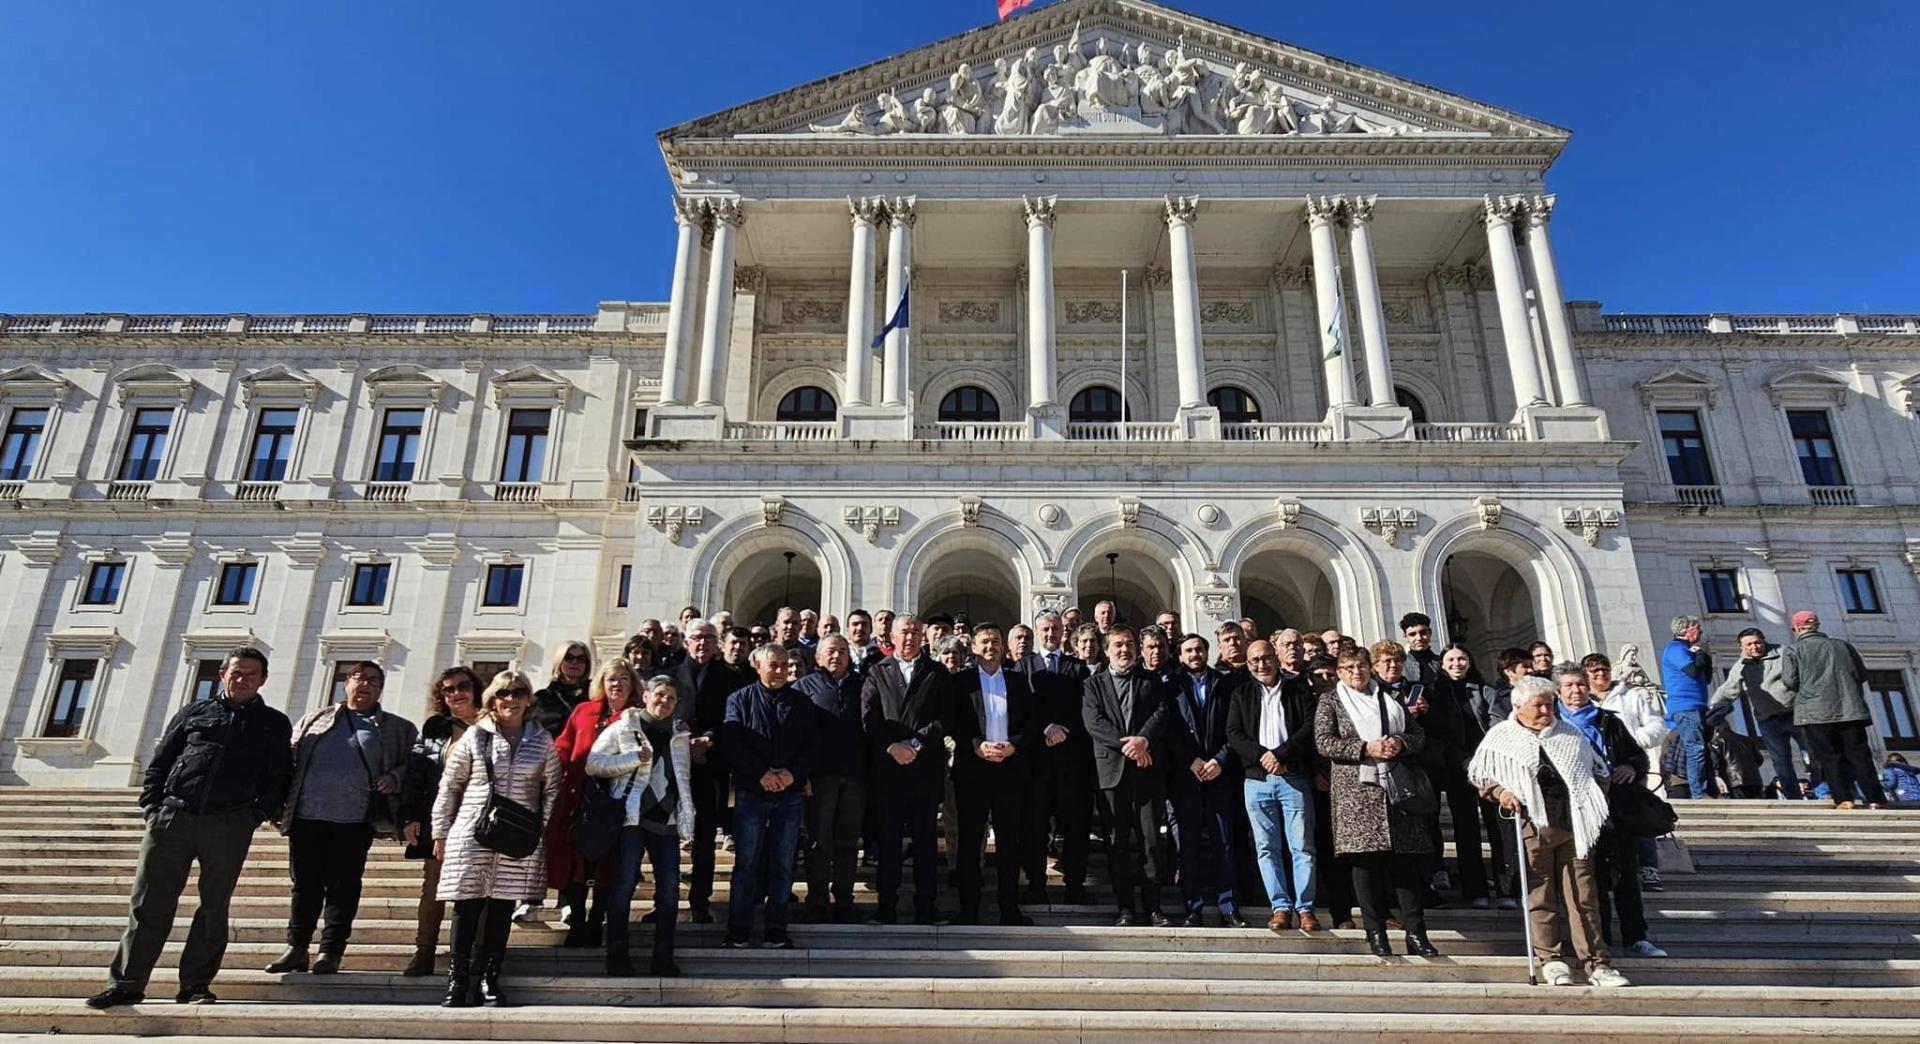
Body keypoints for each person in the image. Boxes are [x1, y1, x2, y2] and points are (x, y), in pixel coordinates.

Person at [87, 647, 292, 1009]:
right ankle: (127, 984)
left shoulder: (273, 724)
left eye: (250, 674)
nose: (241, 679)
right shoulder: (194, 713)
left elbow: (278, 778)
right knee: (148, 904)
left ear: (263, 680)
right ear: (222, 675)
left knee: (214, 908)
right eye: (235, 672)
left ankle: (195, 985)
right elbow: (161, 761)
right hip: (173, 820)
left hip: (228, 826)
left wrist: (254, 815)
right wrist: (152, 806)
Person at [1469, 677, 1631, 988]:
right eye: (1538, 705)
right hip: (1532, 823)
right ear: (1518, 706)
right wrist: (1502, 791)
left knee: (1584, 896)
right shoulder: (1501, 736)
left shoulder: (1569, 732)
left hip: (1575, 824)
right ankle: (1551, 959)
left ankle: (1596, 962)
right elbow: (1481, 774)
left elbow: (1596, 769)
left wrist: (1594, 794)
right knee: (1540, 894)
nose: (1546, 710)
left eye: (1549, 703)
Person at [269, 660, 418, 976]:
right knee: (305, 885)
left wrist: (394, 777)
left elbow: (414, 767)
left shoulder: (397, 728)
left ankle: (330, 951)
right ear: (345, 683)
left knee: (344, 887)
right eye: (359, 678)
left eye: (374, 680)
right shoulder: (315, 720)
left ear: (381, 688)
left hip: (354, 820)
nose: (365, 685)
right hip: (307, 816)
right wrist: (277, 807)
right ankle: (296, 948)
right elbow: (289, 761)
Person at [432, 670, 562, 1007]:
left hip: (518, 834)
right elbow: (450, 787)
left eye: (519, 693)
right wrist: (440, 832)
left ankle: (490, 978)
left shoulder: (541, 739)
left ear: (528, 699)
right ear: (492, 698)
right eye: (504, 693)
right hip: (473, 831)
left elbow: (552, 789)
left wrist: (539, 830)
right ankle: (458, 981)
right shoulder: (476, 736)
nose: (511, 700)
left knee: (502, 907)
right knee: (466, 906)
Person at [1314, 647, 1438, 958]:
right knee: (1364, 866)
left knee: (1405, 867)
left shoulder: (1389, 698)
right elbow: (1324, 742)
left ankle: (1416, 933)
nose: (1356, 672)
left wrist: (1399, 742)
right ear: (1340, 673)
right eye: (1348, 667)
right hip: (1357, 793)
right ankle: (1376, 932)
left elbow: (1418, 735)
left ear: (1371, 668)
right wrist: (1365, 747)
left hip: (1396, 793)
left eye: (1361, 666)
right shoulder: (1330, 701)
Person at [1554, 664, 1666, 959]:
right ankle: (1598, 938)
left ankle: (1636, 936)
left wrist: (1631, 767)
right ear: (1558, 691)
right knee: (1591, 879)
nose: (1576, 690)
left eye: (1580, 684)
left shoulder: (1609, 722)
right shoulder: (1550, 722)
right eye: (1569, 686)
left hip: (1614, 809)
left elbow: (1636, 756)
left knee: (1626, 874)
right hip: (1574, 811)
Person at [587, 675, 694, 976]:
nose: (665, 702)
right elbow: (593, 763)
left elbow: (681, 780)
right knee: (623, 886)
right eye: (660, 695)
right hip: (631, 818)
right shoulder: (623, 727)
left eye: (671, 698)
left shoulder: (680, 735)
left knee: (670, 890)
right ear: (646, 696)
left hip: (668, 820)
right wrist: (633, 759)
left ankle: (663, 957)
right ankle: (617, 956)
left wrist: (689, 818)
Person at [722, 644, 819, 948]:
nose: (779, 671)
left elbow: (813, 745)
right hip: (752, 792)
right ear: (758, 667)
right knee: (746, 863)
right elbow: (732, 742)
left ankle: (775, 930)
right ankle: (738, 930)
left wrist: (793, 774)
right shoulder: (739, 699)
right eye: (773, 665)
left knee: (783, 863)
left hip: (789, 795)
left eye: (783, 666)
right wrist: (761, 774)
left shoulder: (802, 703)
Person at [862, 615, 952, 924]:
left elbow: (945, 717)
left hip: (924, 769)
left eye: (915, 631)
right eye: (905, 632)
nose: (910, 637)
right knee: (888, 841)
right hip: (888, 771)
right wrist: (892, 747)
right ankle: (886, 906)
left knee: (925, 841)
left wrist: (916, 744)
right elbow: (869, 716)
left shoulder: (937, 672)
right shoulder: (877, 671)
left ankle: (926, 906)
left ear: (924, 636)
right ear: (893, 636)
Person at [949, 623, 1040, 925]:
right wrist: (976, 746)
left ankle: (1009, 909)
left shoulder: (1017, 682)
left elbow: (1030, 723)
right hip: (973, 771)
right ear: (973, 647)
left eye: (996, 641)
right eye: (985, 642)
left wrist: (1013, 747)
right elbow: (954, 724)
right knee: (969, 842)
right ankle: (968, 909)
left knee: (1009, 843)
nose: (991, 646)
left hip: (1009, 772)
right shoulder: (960, 683)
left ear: (1004, 647)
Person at [1224, 638, 1318, 931]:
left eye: (1266, 658)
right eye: (1254, 661)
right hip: (1257, 780)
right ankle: (1280, 907)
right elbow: (1234, 733)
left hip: (1292, 775)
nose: (1261, 665)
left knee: (1302, 846)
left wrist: (1280, 755)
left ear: (1276, 658)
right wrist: (1262, 757)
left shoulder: (1299, 690)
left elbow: (1308, 727)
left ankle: (1305, 908)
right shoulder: (1241, 693)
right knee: (1266, 847)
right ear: (1248, 664)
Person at [1083, 626, 1174, 925]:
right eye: (1118, 645)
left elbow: (1162, 712)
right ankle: (1125, 907)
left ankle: (1154, 907)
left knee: (1150, 841)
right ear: (1107, 650)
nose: (1125, 650)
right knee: (1117, 843)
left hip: (1147, 772)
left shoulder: (1151, 681)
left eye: (1130, 644)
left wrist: (1144, 740)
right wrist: (1130, 745)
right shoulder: (1093, 684)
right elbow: (1093, 722)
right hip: (1111, 774)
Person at [549, 660, 640, 948]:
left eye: (624, 679)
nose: (617, 684)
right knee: (577, 865)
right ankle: (576, 922)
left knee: (607, 866)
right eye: (612, 678)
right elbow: (563, 748)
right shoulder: (583, 711)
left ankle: (596, 921)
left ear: (633, 684)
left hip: (616, 803)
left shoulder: (636, 716)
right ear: (602, 682)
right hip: (578, 798)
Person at [398, 666, 482, 977]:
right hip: (443, 821)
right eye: (448, 689)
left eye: (462, 686)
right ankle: (424, 952)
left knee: (478, 891)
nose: (456, 693)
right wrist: (409, 816)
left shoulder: (492, 723)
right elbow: (416, 772)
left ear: (475, 689)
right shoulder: (435, 727)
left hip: (481, 821)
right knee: (433, 888)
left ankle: (475, 954)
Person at [1011, 609, 1093, 904]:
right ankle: (1035, 885)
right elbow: (1020, 708)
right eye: (1045, 629)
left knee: (1074, 826)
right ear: (1037, 632)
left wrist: (1063, 729)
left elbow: (1086, 708)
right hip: (1035, 761)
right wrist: (1046, 727)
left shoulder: (1077, 667)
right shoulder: (1023, 666)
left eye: (1055, 629)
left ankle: (1075, 886)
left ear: (1063, 632)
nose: (1050, 635)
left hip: (1071, 760)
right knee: (1034, 825)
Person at [1171, 633, 1251, 929]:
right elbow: (1170, 729)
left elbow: (1235, 728)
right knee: (1189, 846)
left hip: (1220, 775)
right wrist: (1189, 760)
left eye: (1199, 649)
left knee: (1224, 844)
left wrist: (1220, 759)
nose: (1194, 654)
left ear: (1207, 652)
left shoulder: (1226, 684)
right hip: (1187, 776)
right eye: (1188, 650)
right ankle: (1193, 907)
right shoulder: (1172, 685)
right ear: (1180, 656)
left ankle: (1229, 906)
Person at [670, 620, 748, 923]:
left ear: (718, 644)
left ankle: (699, 901)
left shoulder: (730, 679)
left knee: (705, 838)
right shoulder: (672, 676)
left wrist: (710, 739)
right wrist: (684, 742)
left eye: (709, 638)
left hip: (712, 765)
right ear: (687, 641)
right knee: (667, 837)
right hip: (675, 767)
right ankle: (666, 899)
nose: (702, 643)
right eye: (697, 638)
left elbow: (735, 719)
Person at [1407, 643, 1489, 909]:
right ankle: (1433, 877)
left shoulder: (1481, 690)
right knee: (1429, 826)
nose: (1457, 664)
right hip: (1437, 765)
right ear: (1441, 665)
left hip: (1469, 766)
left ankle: (1475, 887)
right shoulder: (1428, 691)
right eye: (1451, 660)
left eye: (1462, 658)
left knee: (1468, 829)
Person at [1780, 611, 1888, 809]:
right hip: (1850, 708)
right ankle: (1875, 798)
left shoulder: (1793, 650)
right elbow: (1861, 674)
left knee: (1829, 757)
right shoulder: (1843, 646)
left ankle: (1844, 799)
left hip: (1815, 713)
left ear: (1795, 628)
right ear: (1817, 625)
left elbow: (1789, 681)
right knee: (1860, 756)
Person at [797, 636, 867, 923]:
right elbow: (798, 736)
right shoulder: (803, 687)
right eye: (830, 651)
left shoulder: (862, 685)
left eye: (842, 651)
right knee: (818, 841)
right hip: (819, 778)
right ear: (817, 657)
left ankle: (845, 900)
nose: (836, 656)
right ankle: (816, 899)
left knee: (848, 842)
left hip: (854, 777)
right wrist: (803, 774)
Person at [1710, 628, 1805, 798]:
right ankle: (1793, 797)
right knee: (1781, 762)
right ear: (1741, 647)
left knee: (1813, 753)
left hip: (1796, 713)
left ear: (1764, 641)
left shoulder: (1784, 653)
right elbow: (1728, 689)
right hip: (1768, 719)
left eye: (1757, 642)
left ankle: (1824, 791)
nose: (1754, 647)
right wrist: (1714, 708)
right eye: (1749, 644)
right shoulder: (1741, 665)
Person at [1659, 615, 1716, 799]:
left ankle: (1705, 789)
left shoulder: (1689, 650)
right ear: (1687, 630)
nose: (1701, 631)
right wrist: (1698, 654)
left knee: (1701, 748)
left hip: (1697, 705)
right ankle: (1698, 793)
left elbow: (1706, 678)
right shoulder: (1675, 649)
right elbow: (1692, 671)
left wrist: (1704, 656)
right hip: (1685, 706)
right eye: (1697, 627)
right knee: (1695, 748)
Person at [1401, 613, 1441, 687]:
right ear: (1405, 637)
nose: (1419, 638)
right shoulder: (1400, 666)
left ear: (1430, 633)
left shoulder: (1442, 663)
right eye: (1412, 634)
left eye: (1423, 632)